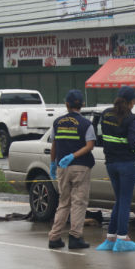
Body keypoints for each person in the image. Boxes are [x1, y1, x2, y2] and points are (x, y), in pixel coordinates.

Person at [48, 89, 96, 250]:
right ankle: (75, 237)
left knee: (63, 203)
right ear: (82, 105)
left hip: (62, 166)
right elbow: (90, 145)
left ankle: (54, 237)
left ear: (66, 104)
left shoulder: (57, 122)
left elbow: (54, 144)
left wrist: (53, 163)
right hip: (80, 166)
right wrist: (74, 155)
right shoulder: (86, 124)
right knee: (78, 202)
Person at [96, 86, 135, 252]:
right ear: (130, 102)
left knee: (120, 199)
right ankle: (122, 237)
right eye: (134, 100)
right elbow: (133, 141)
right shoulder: (130, 118)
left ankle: (110, 238)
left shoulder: (106, 114)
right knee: (125, 200)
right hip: (127, 164)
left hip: (110, 163)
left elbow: (101, 136)